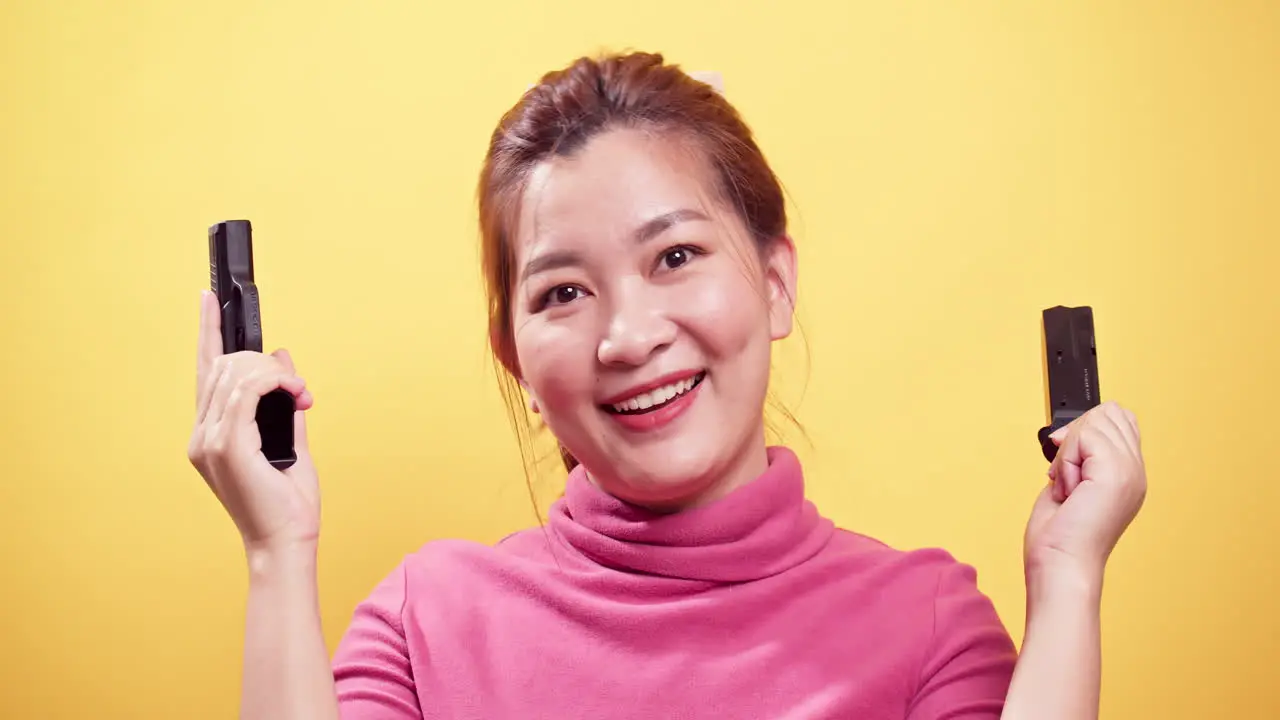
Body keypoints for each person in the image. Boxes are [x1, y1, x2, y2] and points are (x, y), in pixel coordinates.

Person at [187, 51, 1147, 720]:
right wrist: (277, 555)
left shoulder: (926, 623)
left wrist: (1067, 586)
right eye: (564, 290)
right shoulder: (422, 625)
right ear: (514, 358)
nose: (629, 335)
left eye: (676, 254)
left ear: (775, 283)